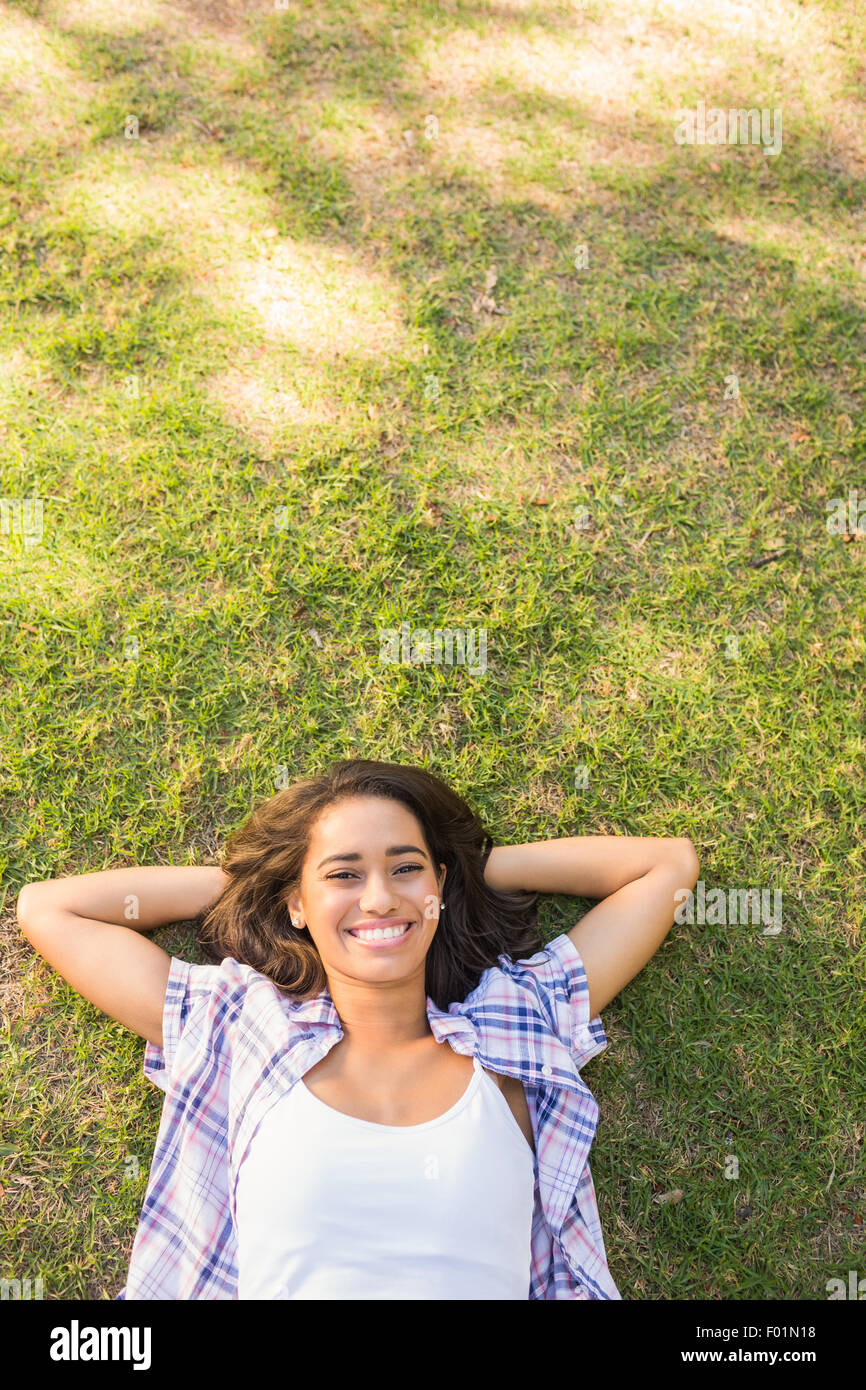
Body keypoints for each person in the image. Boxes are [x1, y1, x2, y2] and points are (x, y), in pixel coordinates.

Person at [16, 757, 699, 1300]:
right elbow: (52, 910)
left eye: (404, 867)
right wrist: (268, 883)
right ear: (298, 905)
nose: (379, 897)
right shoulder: (238, 1024)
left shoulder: (516, 1019)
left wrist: (461, 872)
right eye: (344, 874)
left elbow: (664, 868)